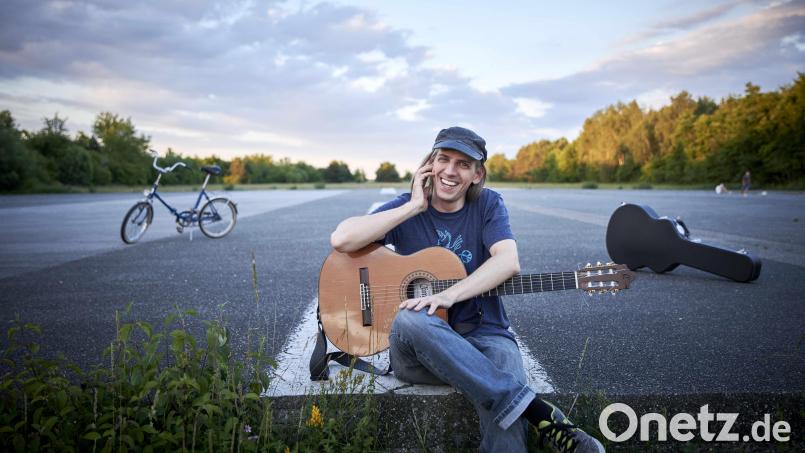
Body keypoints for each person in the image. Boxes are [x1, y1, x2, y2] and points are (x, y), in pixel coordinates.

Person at [330, 127, 605, 453]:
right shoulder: (407, 206)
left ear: (478, 174)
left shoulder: (488, 205)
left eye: (463, 164)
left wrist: (449, 295)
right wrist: (413, 206)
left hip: (485, 336)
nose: (450, 170)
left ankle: (518, 408)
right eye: (443, 159)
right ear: (429, 165)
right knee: (410, 317)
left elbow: (508, 262)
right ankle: (539, 412)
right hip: (418, 354)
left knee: (503, 367)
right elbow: (341, 239)